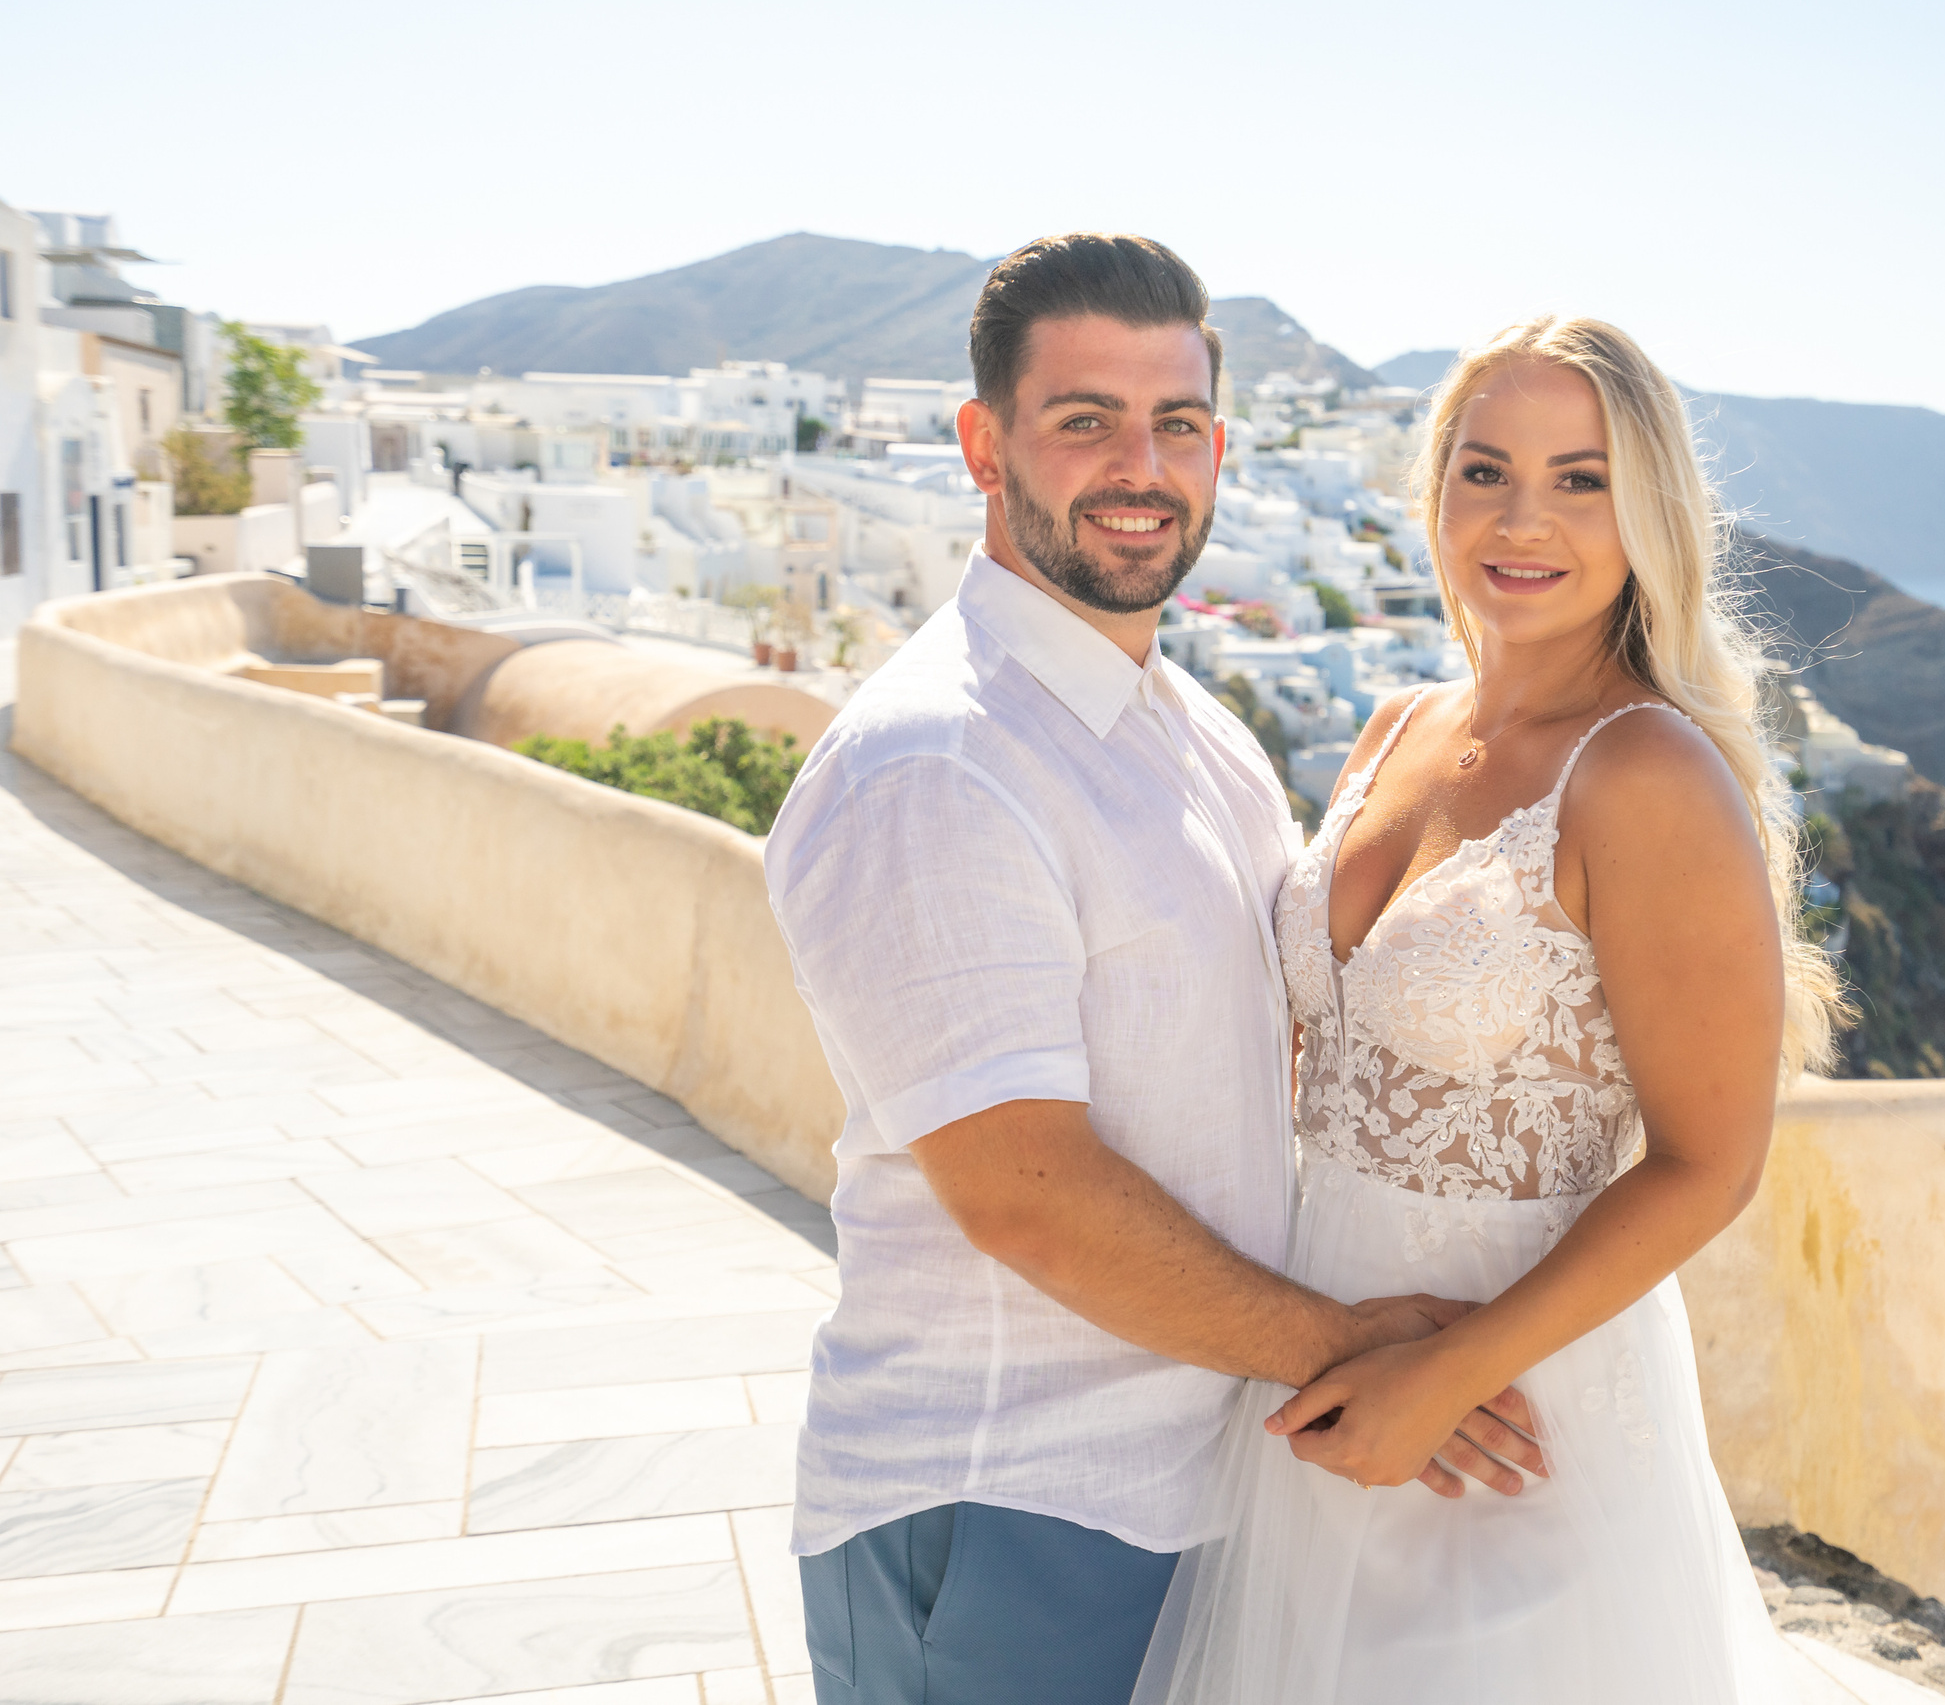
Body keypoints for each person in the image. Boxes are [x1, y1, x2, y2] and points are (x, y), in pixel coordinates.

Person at [762, 233, 1539, 1705]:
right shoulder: (937, 762)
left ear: (1221, 449)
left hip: (1198, 1489)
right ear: (984, 445)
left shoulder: (1197, 731)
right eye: (1084, 420)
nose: (1140, 463)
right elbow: (1025, 1193)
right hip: (1006, 1505)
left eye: (1175, 423)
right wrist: (1358, 1354)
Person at [1135, 316, 1846, 1704]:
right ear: (1433, 492)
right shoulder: (1395, 728)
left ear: (1650, 513)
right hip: (1319, 1370)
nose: (1524, 520)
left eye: (1581, 480)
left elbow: (1713, 1166)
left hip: (1529, 1414)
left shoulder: (1648, 776)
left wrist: (1455, 1371)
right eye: (1485, 471)